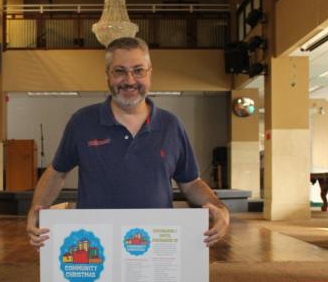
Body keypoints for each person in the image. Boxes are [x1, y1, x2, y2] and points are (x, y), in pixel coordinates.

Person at [27, 36, 230, 248]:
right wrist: (37, 207)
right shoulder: (82, 122)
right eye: (119, 71)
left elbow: (191, 183)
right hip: (95, 244)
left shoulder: (171, 125)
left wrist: (219, 207)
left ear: (150, 73)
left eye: (138, 70)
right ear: (108, 75)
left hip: (154, 247)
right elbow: (57, 171)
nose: (130, 80)